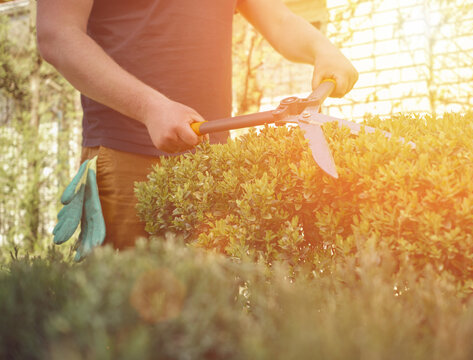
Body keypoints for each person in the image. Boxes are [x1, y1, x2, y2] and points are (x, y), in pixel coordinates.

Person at [37, 0, 358, 254]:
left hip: (213, 167)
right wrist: (151, 108)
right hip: (124, 161)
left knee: (209, 319)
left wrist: (322, 49)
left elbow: (278, 19)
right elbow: (57, 34)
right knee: (125, 329)